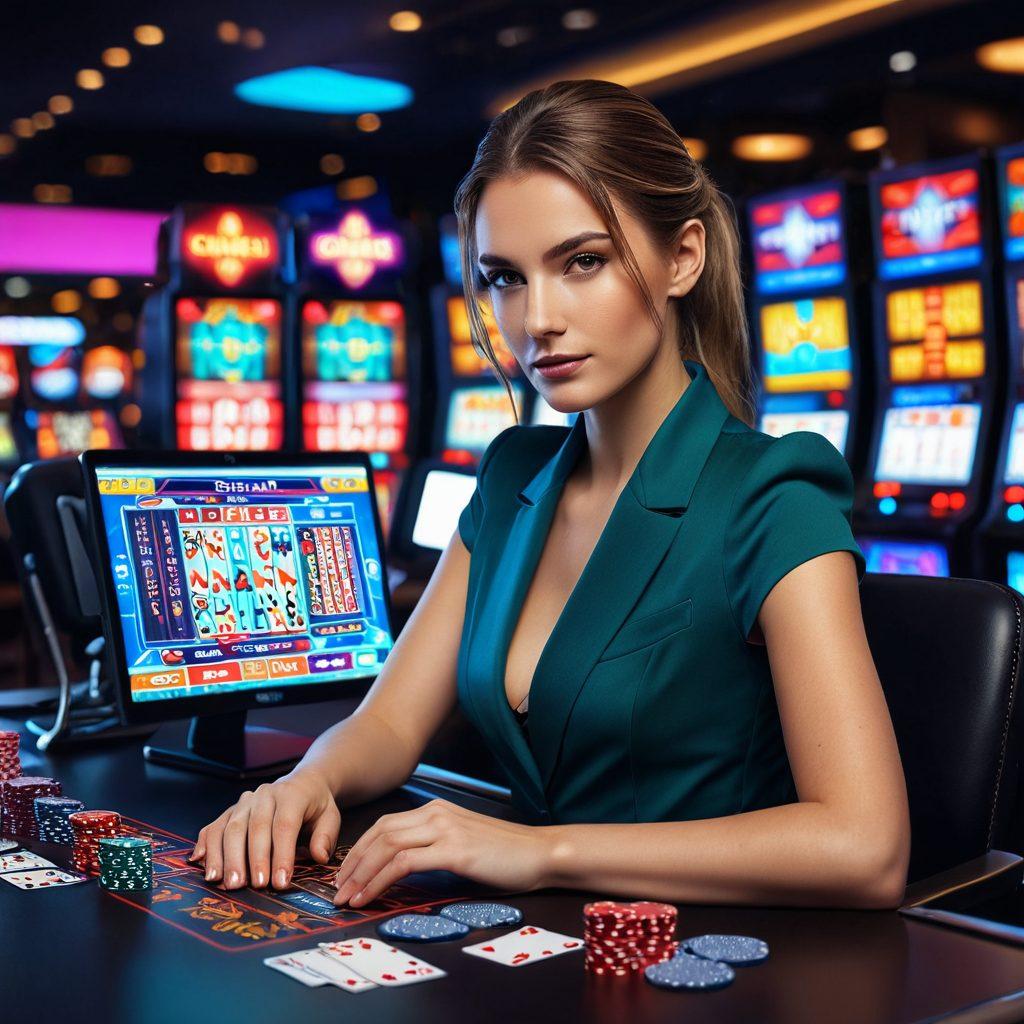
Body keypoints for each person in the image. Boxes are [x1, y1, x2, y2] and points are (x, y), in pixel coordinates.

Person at [190, 79, 910, 911]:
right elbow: (387, 725)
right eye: (504, 277)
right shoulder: (511, 476)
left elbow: (864, 847)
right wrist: (304, 783)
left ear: (683, 258)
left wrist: (541, 850)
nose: (537, 319)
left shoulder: (773, 491)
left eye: (582, 262)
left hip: (711, 956)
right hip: (526, 940)